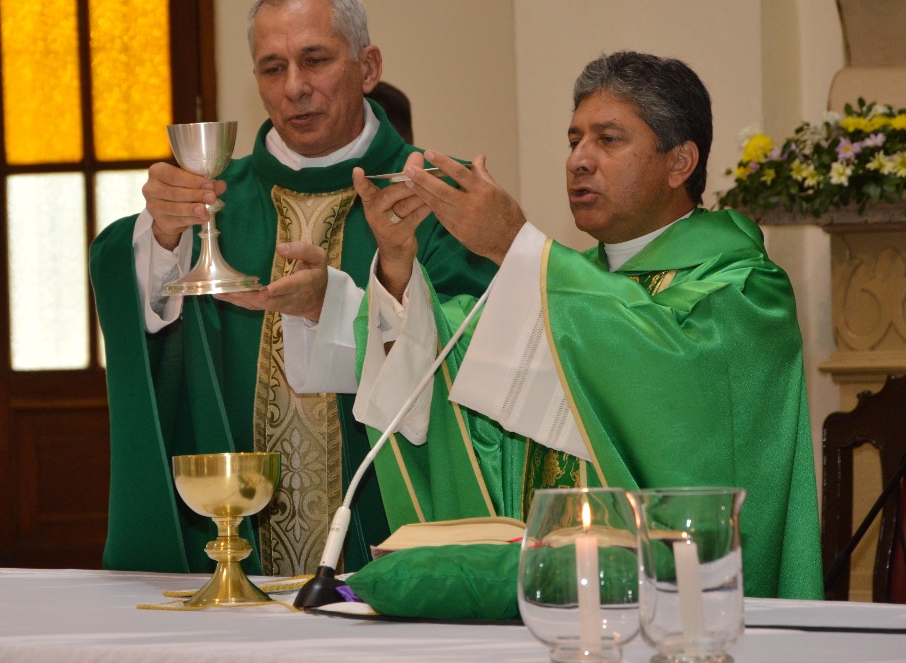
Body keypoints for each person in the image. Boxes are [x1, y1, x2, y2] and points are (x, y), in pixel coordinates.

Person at [349, 50, 824, 599]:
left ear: (680, 163)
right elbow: (444, 366)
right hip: (552, 607)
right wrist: (397, 262)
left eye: (608, 139)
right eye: (574, 140)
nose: (579, 160)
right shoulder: (562, 287)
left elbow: (679, 384)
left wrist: (513, 245)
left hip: (680, 617)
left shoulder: (745, 288)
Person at [90, 0, 496, 576]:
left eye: (315, 60)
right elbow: (137, 311)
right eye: (272, 68)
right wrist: (161, 238)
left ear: (368, 67)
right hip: (237, 554)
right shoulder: (214, 202)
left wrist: (334, 309)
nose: (294, 87)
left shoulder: (440, 195)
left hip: (389, 539)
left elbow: (478, 355)